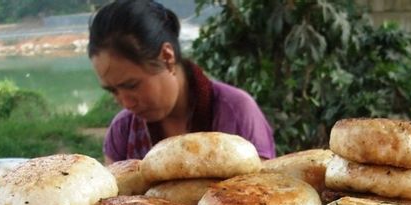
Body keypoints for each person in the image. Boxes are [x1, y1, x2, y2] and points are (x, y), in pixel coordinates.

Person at [88, 0, 276, 164]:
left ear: (166, 57)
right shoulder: (122, 130)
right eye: (113, 91)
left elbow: (263, 197)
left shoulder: (236, 112)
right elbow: (111, 202)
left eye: (131, 85)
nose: (127, 104)